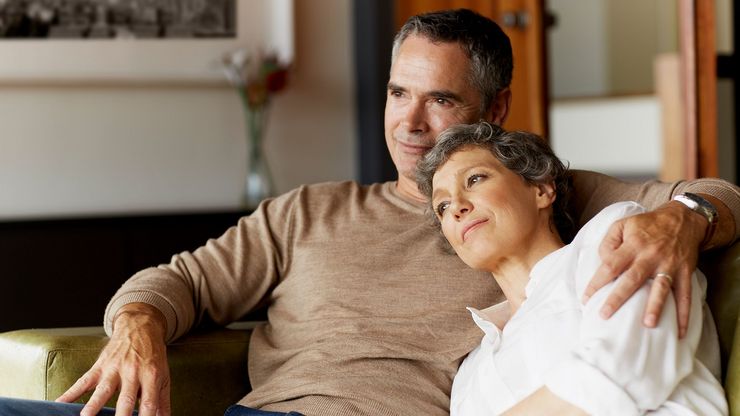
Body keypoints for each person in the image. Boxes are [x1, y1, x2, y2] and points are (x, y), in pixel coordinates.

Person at [0, 8, 738, 416]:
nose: (411, 123)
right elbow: (179, 282)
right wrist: (136, 327)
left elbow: (714, 195)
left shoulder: (535, 194)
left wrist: (686, 216)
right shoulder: (306, 212)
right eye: (397, 93)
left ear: (497, 111)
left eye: (441, 100)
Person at [416, 121, 728, 415]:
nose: (456, 206)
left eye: (475, 179)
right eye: (442, 207)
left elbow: (623, 370)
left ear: (541, 190)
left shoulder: (612, 237)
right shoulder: (470, 374)